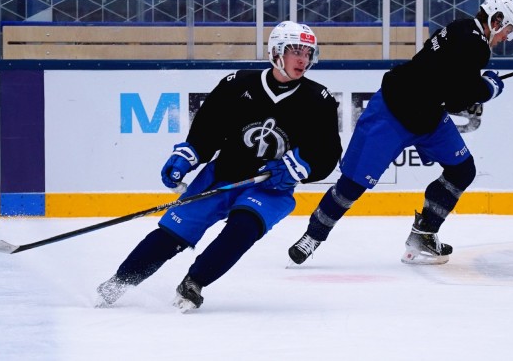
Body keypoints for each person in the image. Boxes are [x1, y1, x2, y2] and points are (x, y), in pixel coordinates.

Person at [97, 21, 342, 311]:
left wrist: (295, 168)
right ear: (276, 52)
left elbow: (327, 152)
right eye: (295, 51)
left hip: (270, 187)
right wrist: (187, 156)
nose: (303, 59)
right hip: (223, 174)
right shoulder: (237, 84)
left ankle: (194, 282)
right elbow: (207, 131)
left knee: (243, 227)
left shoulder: (319, 100)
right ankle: (120, 282)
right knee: (173, 234)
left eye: (308, 52)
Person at [288, 0, 513, 266]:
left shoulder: (461, 28)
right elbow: (460, 95)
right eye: (508, 29)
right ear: (496, 20)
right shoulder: (475, 45)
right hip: (392, 113)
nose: (506, 37)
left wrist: (476, 85)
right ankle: (313, 236)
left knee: (462, 168)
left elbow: (448, 84)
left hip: (428, 116)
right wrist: (489, 88)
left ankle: (423, 235)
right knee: (352, 184)